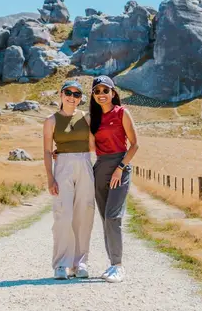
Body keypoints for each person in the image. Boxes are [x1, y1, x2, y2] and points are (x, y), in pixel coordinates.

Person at [43, 80, 96, 280]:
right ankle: (60, 265)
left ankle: (80, 263)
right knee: (62, 216)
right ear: (61, 94)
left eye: (76, 94)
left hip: (84, 163)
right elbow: (47, 151)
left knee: (84, 215)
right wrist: (50, 177)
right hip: (62, 167)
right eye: (68, 92)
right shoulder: (51, 121)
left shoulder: (87, 118)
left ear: (80, 98)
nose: (72, 97)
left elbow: (93, 146)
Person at [89, 75, 139, 283]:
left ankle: (118, 266)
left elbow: (135, 144)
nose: (101, 94)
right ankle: (111, 264)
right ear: (93, 95)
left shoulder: (122, 113)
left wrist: (120, 168)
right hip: (100, 167)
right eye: (97, 91)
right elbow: (91, 148)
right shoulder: (93, 119)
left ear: (113, 93)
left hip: (120, 166)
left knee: (113, 216)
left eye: (105, 90)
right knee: (104, 217)